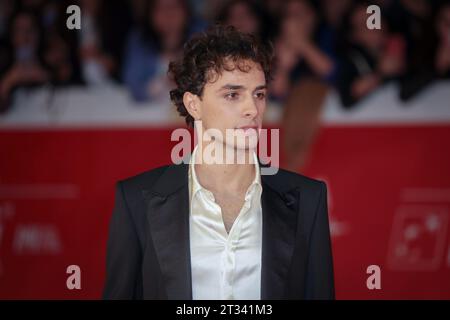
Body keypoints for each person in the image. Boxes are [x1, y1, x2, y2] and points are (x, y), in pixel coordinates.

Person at [103, 24, 334, 300]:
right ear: (193, 104)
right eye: (232, 94)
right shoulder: (137, 200)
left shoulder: (308, 198)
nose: (252, 109)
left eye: (258, 94)